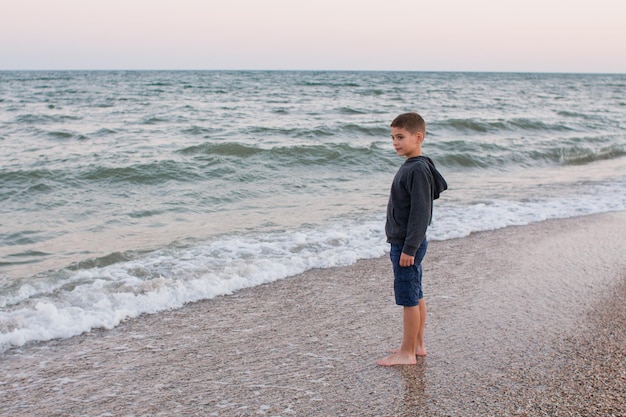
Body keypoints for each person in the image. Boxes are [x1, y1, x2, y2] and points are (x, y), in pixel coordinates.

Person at [377, 112, 447, 366]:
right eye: (392, 137)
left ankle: (406, 353)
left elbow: (421, 213)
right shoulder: (418, 165)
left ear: (418, 137)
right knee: (416, 294)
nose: (395, 142)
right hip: (409, 243)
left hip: (407, 245)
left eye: (400, 137)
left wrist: (409, 248)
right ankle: (417, 344)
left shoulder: (417, 168)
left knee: (408, 298)